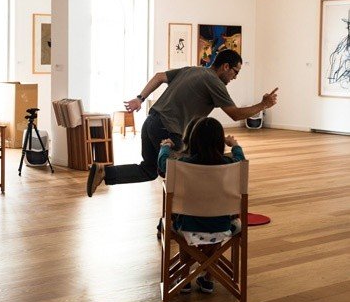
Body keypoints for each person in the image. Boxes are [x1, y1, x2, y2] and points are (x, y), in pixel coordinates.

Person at [87, 49, 277, 196]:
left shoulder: (191, 70)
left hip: (151, 122)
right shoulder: (215, 82)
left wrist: (140, 98)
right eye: (236, 72)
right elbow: (235, 114)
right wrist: (263, 104)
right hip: (168, 129)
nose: (235, 77)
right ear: (226, 67)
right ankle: (178, 220)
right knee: (184, 174)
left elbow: (159, 76)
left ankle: (104, 172)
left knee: (148, 170)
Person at [157, 116, 245, 294]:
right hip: (222, 228)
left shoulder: (183, 164)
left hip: (186, 228)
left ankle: (184, 278)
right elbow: (241, 159)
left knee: (185, 223)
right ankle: (209, 278)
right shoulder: (231, 164)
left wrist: (165, 147)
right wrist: (235, 145)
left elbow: (163, 163)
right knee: (215, 222)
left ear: (193, 140)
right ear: (220, 142)